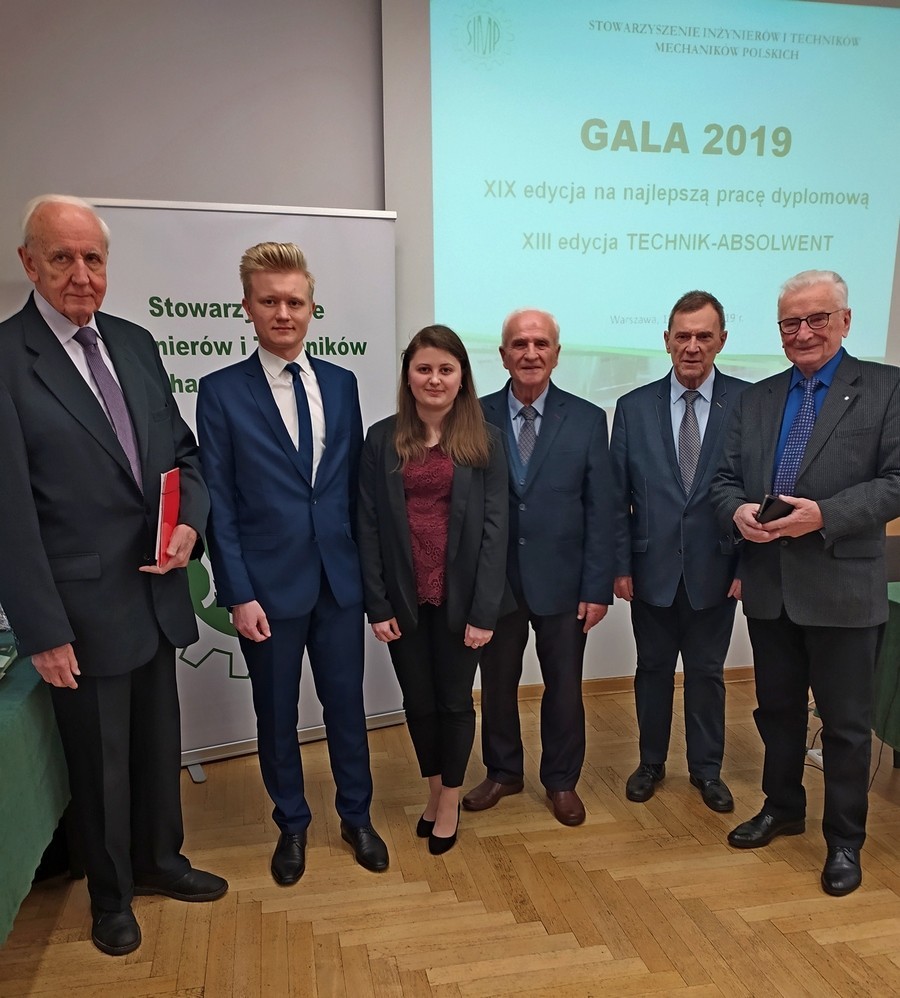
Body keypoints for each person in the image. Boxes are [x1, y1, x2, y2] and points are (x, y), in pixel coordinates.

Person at [0, 195, 227, 957]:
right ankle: (110, 896)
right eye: (61, 257)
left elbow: (183, 455)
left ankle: (160, 860)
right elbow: (8, 515)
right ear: (29, 263)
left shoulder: (134, 342)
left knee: (158, 746)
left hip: (155, 591)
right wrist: (43, 630)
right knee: (99, 767)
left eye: (92, 258)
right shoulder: (7, 359)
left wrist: (190, 524)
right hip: (79, 610)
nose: (80, 274)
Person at [196, 242, 388, 886]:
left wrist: (369, 581)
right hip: (266, 590)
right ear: (247, 307)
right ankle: (293, 824)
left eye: (295, 302)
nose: (284, 313)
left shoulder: (342, 383)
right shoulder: (221, 392)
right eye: (270, 301)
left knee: (347, 708)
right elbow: (220, 501)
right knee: (276, 715)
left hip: (338, 582)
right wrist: (237, 592)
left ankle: (356, 817)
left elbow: (353, 489)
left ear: (312, 308)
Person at [710, 270, 900, 897]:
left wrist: (826, 515)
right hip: (771, 588)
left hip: (844, 590)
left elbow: (897, 481)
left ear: (845, 321)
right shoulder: (758, 398)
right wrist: (738, 511)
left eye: (817, 318)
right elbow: (724, 481)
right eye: (791, 322)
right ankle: (783, 806)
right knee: (778, 713)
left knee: (845, 727)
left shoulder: (886, 388)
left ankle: (844, 840)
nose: (804, 332)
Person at [357, 325, 512, 854]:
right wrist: (377, 603)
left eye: (446, 369)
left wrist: (484, 612)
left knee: (453, 703)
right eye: (424, 368)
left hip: (462, 602)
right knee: (418, 703)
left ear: (462, 376)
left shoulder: (486, 440)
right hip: (402, 600)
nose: (434, 379)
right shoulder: (380, 439)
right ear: (408, 376)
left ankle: (449, 801)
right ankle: (433, 790)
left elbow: (495, 532)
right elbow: (367, 526)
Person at [462, 308, 615, 826]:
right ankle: (504, 772)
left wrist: (597, 587)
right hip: (495, 584)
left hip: (566, 584)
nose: (531, 353)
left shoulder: (587, 418)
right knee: (497, 686)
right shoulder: (473, 415)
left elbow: (601, 509)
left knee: (565, 689)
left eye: (541, 344)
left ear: (556, 353)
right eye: (520, 344)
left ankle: (561, 780)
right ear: (503, 355)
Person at [611, 291, 749, 812]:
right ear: (666, 340)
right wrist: (620, 566)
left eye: (703, 336)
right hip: (651, 570)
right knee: (651, 670)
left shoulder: (747, 403)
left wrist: (747, 567)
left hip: (718, 567)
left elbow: (756, 493)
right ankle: (650, 763)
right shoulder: (632, 408)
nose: (692, 346)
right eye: (683, 336)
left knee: (707, 674)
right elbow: (616, 498)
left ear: (721, 341)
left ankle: (707, 770)